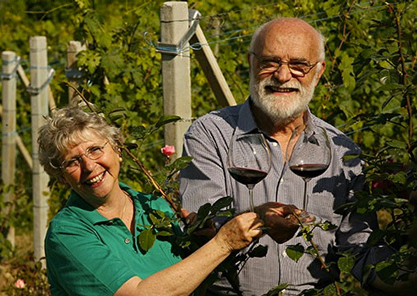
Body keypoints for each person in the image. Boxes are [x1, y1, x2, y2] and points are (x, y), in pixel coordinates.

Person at [179, 17, 381, 295]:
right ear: (252, 64)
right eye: (270, 62)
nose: (283, 76)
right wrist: (257, 221)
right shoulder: (210, 135)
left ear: (318, 71)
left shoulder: (341, 149)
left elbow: (359, 246)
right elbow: (200, 222)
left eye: (299, 65)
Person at [38, 106, 264, 296]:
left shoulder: (153, 207)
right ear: (62, 177)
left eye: (95, 149)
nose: (89, 166)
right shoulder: (67, 234)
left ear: (118, 149)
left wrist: (200, 244)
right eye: (73, 162)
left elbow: (189, 283)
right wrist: (222, 244)